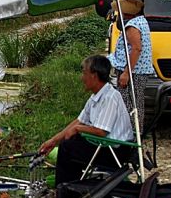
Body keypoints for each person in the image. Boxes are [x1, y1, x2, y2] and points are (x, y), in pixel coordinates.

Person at [39, 55, 134, 188]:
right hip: (105, 146)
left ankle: (65, 193)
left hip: (115, 151)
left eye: (84, 73)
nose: (82, 78)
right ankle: (71, 187)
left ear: (94, 75)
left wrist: (78, 129)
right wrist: (53, 141)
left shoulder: (110, 97)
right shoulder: (96, 96)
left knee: (68, 148)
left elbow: (100, 131)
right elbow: (79, 121)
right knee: (70, 141)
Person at [107, 0, 155, 134]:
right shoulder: (141, 21)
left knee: (128, 104)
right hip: (139, 71)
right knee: (136, 103)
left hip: (133, 72)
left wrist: (126, 73)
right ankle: (135, 134)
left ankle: (130, 135)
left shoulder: (132, 25)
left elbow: (136, 49)